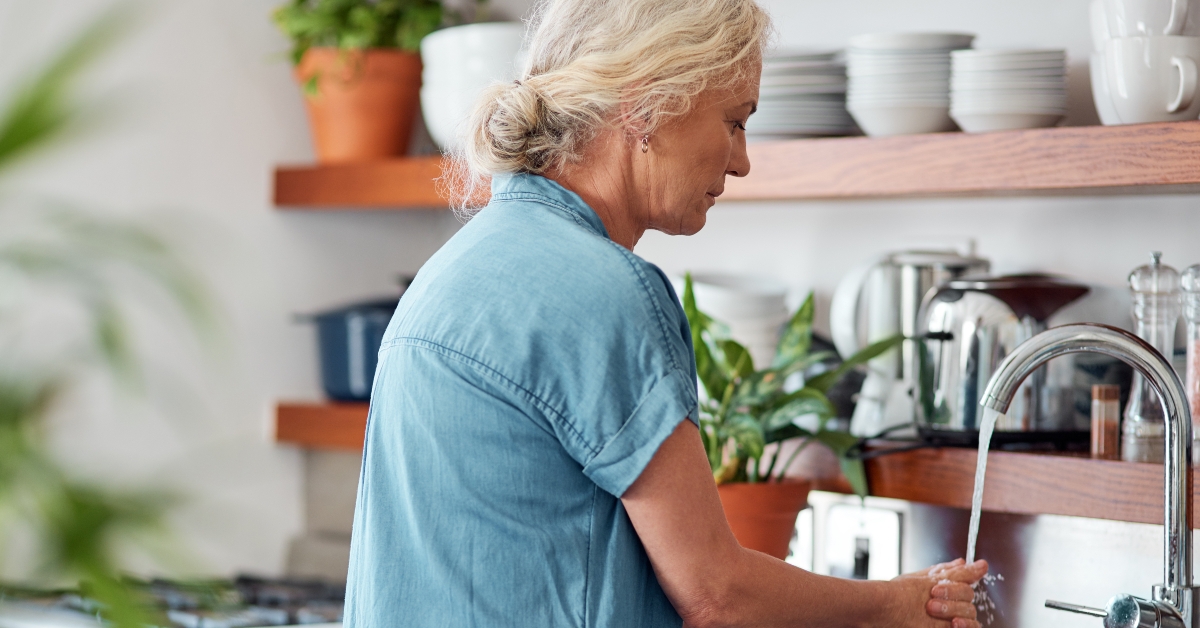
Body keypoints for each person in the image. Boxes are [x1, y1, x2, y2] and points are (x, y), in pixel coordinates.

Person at [343, 0, 988, 626]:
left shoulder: (447, 275)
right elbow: (716, 595)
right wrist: (897, 606)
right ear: (649, 106)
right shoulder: (604, 290)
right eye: (734, 121)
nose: (741, 160)